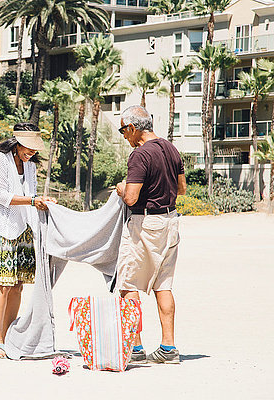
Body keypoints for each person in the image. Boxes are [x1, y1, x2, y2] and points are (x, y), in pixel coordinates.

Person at [0, 122, 57, 359]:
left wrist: (40, 200)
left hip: (23, 228)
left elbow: (31, 194)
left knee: (17, 284)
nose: (32, 153)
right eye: (28, 148)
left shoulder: (30, 165)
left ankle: (8, 336)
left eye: (34, 149)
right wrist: (31, 201)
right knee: (2, 284)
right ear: (17, 143)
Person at [115, 105, 187, 364]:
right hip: (170, 221)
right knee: (163, 285)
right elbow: (182, 189)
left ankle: (135, 349)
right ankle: (169, 348)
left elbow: (132, 197)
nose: (124, 136)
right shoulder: (171, 148)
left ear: (133, 128)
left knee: (128, 284)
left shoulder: (140, 155)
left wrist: (121, 189)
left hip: (145, 224)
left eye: (124, 131)